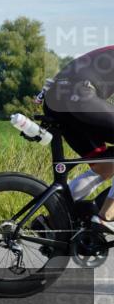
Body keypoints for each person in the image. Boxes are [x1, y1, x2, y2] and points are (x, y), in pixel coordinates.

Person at [41, 46, 114, 228]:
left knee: (105, 167)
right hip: (79, 94)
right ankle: (106, 216)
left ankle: (51, 221)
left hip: (57, 99)